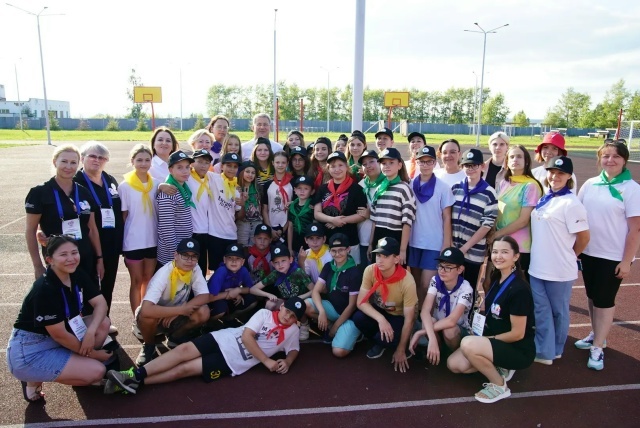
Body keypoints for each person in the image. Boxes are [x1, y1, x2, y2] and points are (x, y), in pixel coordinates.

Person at [104, 297, 305, 395]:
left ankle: (133, 383)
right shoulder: (264, 314)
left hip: (231, 362)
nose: (287, 317)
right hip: (222, 339)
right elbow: (247, 337)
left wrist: (288, 361)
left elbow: (294, 348)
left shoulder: (292, 331)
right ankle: (135, 374)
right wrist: (267, 361)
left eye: (293, 316)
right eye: (287, 311)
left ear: (296, 320)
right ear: (281, 307)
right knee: (182, 351)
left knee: (183, 370)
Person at [7, 235, 112, 402]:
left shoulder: (76, 273)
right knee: (98, 371)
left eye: (74, 252)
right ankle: (32, 378)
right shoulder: (45, 288)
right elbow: (59, 335)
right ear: (49, 260)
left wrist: (90, 332)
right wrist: (94, 354)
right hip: (31, 350)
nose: (71, 258)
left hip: (59, 334)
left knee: (102, 323)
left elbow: (101, 303)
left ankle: (77, 367)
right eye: (63, 254)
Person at [576, 140, 640, 370]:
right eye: (606, 156)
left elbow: (635, 229)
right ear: (599, 159)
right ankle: (596, 334)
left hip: (612, 256)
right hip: (589, 253)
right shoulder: (590, 184)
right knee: (592, 297)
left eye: (616, 156)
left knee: (604, 301)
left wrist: (626, 261)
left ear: (624, 160)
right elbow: (578, 217)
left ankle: (598, 347)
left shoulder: (632, 189)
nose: (610, 160)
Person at [447, 236, 535, 404]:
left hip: (518, 348)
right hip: (496, 341)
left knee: (468, 344)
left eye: (504, 252)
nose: (498, 256)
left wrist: (487, 340)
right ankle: (501, 365)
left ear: (516, 256)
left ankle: (499, 385)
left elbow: (517, 334)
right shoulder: (496, 278)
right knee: (454, 364)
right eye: (495, 252)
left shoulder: (519, 289)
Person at [529, 156, 590, 365]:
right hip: (537, 267)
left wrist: (570, 255)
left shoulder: (571, 203)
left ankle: (556, 349)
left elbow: (584, 238)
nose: (555, 176)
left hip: (559, 269)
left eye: (560, 173)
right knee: (541, 310)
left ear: (569, 176)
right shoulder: (545, 198)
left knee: (558, 312)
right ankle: (543, 350)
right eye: (552, 172)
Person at [25, 144, 104, 281]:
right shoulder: (39, 193)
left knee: (88, 294)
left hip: (84, 257)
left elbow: (92, 229)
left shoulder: (84, 192)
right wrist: (37, 265)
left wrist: (99, 259)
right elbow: (30, 231)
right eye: (64, 161)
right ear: (54, 162)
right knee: (62, 294)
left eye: (73, 162)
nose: (68, 166)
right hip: (58, 260)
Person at [134, 238, 211, 366]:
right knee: (146, 316)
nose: (189, 260)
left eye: (194, 256)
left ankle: (175, 337)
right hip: (156, 317)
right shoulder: (164, 274)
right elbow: (147, 309)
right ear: (176, 255)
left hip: (175, 315)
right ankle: (149, 345)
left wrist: (180, 310)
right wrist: (180, 310)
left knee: (204, 311)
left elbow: (204, 296)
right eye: (185, 255)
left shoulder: (195, 268)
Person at [74, 142, 123, 332]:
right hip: (88, 244)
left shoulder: (109, 180)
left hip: (111, 243)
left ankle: (104, 321)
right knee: (89, 286)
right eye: (92, 156)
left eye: (102, 158)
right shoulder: (76, 182)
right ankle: (87, 324)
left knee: (108, 283)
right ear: (82, 158)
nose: (97, 160)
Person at [352, 237, 418, 372]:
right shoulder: (370, 270)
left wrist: (401, 349)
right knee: (358, 318)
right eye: (378, 255)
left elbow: (409, 318)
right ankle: (379, 340)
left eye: (386, 256)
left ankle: (397, 341)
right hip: (380, 310)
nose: (380, 260)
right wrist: (381, 319)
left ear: (396, 259)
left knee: (390, 338)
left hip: (398, 316)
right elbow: (361, 302)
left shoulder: (407, 281)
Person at [409, 247, 474, 363]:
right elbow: (425, 311)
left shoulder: (466, 288)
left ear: (460, 269)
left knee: (449, 330)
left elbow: (451, 321)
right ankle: (437, 351)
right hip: (438, 326)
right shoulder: (436, 280)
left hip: (458, 330)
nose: (442, 271)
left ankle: (454, 354)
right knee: (427, 321)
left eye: (448, 267)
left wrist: (421, 332)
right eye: (440, 266)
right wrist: (432, 337)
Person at [408, 146, 455, 306]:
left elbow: (447, 217)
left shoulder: (443, 187)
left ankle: (428, 314)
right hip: (414, 242)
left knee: (427, 285)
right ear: (417, 162)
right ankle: (419, 313)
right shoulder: (410, 185)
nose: (426, 165)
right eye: (422, 161)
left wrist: (446, 244)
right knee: (415, 284)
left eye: (429, 162)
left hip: (434, 243)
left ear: (435, 163)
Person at [305, 234, 362, 357]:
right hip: (333, 309)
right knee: (306, 305)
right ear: (330, 251)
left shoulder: (355, 272)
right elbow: (315, 291)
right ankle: (330, 324)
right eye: (334, 251)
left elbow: (352, 305)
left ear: (348, 249)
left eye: (341, 250)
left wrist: (335, 328)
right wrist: (322, 312)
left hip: (349, 316)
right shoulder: (329, 266)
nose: (337, 254)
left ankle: (343, 330)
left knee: (338, 352)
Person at [118, 145, 159, 314]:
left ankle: (145, 314)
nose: (143, 163)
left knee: (148, 279)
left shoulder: (156, 184)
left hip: (152, 240)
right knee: (136, 281)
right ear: (132, 161)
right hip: (133, 241)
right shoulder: (125, 186)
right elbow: (124, 216)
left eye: (147, 160)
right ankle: (136, 317)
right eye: (139, 160)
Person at [494, 145, 543, 281]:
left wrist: (497, 235)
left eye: (519, 157)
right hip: (501, 244)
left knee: (515, 286)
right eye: (512, 157)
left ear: (526, 161)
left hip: (519, 247)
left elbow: (523, 221)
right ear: (507, 162)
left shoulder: (530, 186)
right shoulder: (504, 183)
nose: (515, 159)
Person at [451, 148, 498, 290]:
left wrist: (465, 248)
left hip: (474, 252)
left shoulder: (489, 193)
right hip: (454, 248)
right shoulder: (455, 188)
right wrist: (452, 244)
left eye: (474, 165)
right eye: (467, 165)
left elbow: (486, 225)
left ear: (482, 166)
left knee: (468, 289)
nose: (470, 169)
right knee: (451, 287)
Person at [249, 245, 314, 340]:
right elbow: (253, 289)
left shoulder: (298, 272)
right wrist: (268, 294)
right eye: (276, 262)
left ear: (290, 260)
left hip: (300, 301)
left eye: (283, 261)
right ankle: (269, 325)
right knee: (270, 304)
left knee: (298, 304)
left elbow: (313, 290)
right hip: (286, 301)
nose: (280, 265)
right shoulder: (275, 274)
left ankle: (304, 323)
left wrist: (299, 298)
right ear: (272, 264)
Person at [313, 151, 368, 263]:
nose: (337, 169)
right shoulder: (323, 188)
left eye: (340, 165)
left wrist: (340, 221)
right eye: (333, 166)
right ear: (328, 169)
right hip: (328, 241)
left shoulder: (356, 188)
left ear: (346, 167)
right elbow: (317, 213)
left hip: (350, 241)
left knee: (351, 271)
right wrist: (332, 220)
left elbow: (362, 215)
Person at [368, 148, 416, 266]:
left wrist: (403, 250)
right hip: (379, 236)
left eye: (391, 163)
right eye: (384, 163)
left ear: (399, 165)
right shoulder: (379, 188)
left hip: (396, 237)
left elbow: (407, 222)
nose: (387, 166)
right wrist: (370, 244)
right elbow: (374, 220)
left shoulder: (404, 188)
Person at [156, 151, 195, 267]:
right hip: (172, 254)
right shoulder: (169, 193)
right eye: (179, 167)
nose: (185, 171)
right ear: (170, 170)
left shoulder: (183, 189)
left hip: (182, 249)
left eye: (187, 167)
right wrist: (176, 253)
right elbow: (166, 228)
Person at [208, 153, 242, 270]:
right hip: (215, 234)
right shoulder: (213, 178)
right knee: (215, 269)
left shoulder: (237, 189)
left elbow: (239, 215)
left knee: (231, 269)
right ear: (222, 166)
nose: (232, 169)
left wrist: (243, 204)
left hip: (231, 234)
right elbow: (195, 170)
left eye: (235, 166)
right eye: (229, 165)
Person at [206, 244, 257, 323]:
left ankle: (231, 317)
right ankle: (207, 324)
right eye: (230, 258)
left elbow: (250, 289)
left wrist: (238, 290)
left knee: (252, 299)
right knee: (221, 309)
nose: (234, 261)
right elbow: (210, 297)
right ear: (224, 260)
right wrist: (229, 294)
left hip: (232, 299)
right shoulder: (221, 271)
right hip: (216, 299)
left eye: (238, 258)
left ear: (242, 262)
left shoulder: (243, 270)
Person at [185, 149, 215, 274]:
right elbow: (171, 179)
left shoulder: (211, 178)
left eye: (206, 162)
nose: (203, 165)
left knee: (201, 266)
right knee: (188, 264)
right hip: (191, 230)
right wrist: (162, 186)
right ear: (192, 163)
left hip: (206, 230)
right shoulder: (187, 177)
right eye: (200, 162)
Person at [357, 150, 384, 267]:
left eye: (371, 162)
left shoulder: (387, 184)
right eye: (364, 164)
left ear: (379, 163)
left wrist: (370, 215)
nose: (368, 166)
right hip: (362, 236)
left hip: (380, 238)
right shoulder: (361, 185)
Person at [261, 151, 293, 244]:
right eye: (277, 162)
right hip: (271, 226)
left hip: (287, 226)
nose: (280, 165)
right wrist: (270, 229)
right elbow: (264, 209)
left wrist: (283, 229)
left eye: (283, 162)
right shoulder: (268, 184)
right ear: (273, 163)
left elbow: (293, 208)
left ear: (287, 163)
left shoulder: (292, 183)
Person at [236, 161, 263, 246]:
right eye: (247, 171)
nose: (250, 175)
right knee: (242, 247)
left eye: (253, 173)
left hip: (257, 222)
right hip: (242, 223)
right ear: (241, 172)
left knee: (255, 248)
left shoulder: (258, 188)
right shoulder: (236, 187)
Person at [287, 175, 316, 254]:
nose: (302, 191)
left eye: (306, 188)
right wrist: (289, 248)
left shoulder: (312, 207)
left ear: (312, 191)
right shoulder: (292, 207)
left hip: (310, 246)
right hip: (295, 245)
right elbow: (290, 227)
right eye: (299, 188)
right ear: (295, 190)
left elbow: (315, 226)